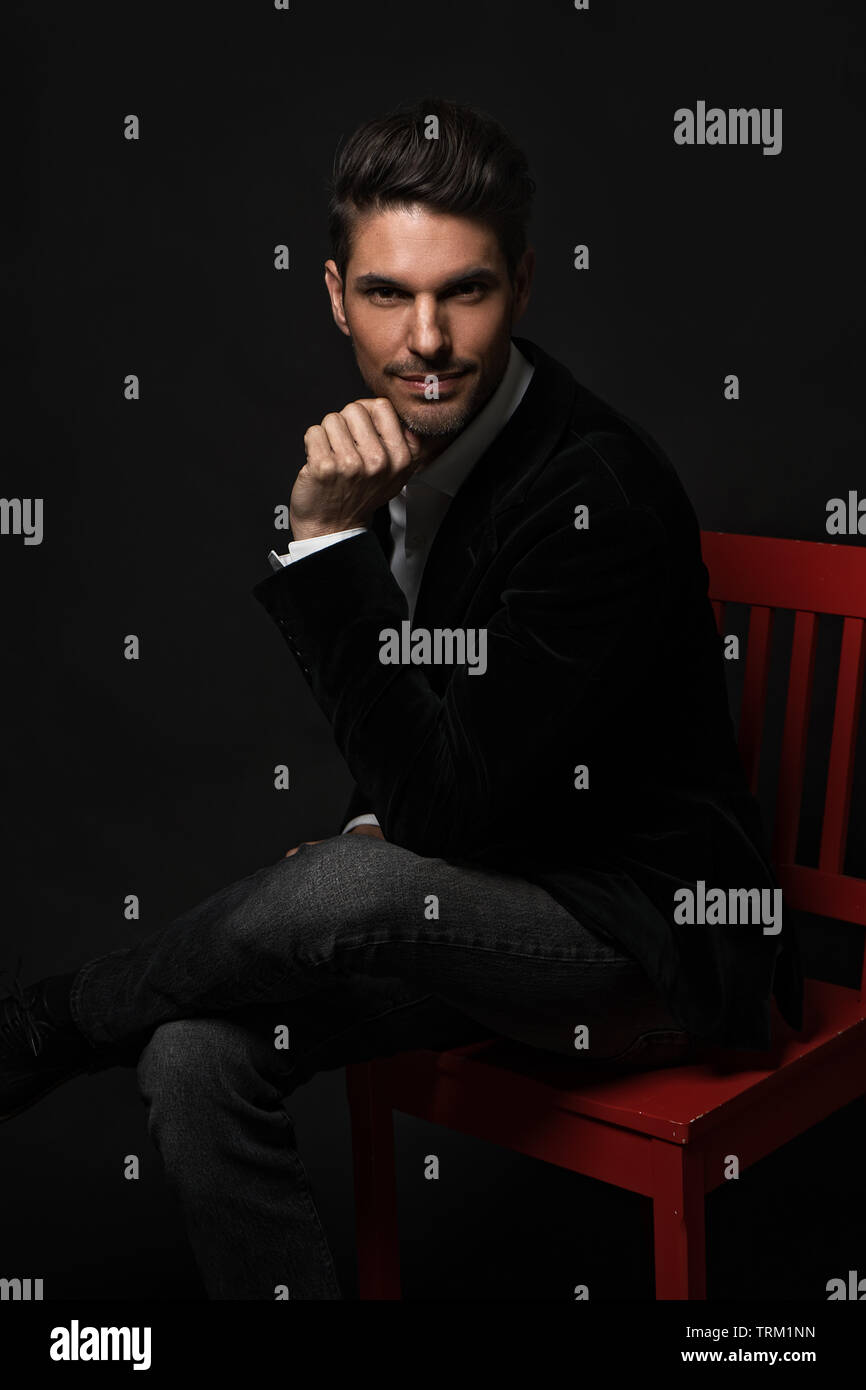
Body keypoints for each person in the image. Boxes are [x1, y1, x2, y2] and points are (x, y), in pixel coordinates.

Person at [0, 97, 803, 1299]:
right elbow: (436, 752)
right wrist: (375, 831)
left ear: (522, 285)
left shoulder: (597, 495)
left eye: (463, 291)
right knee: (194, 1055)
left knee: (344, 881)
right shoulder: (393, 455)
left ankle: (55, 1019)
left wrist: (323, 552)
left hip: (647, 944)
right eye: (386, 294)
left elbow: (443, 800)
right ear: (334, 295)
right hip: (490, 909)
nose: (425, 339)